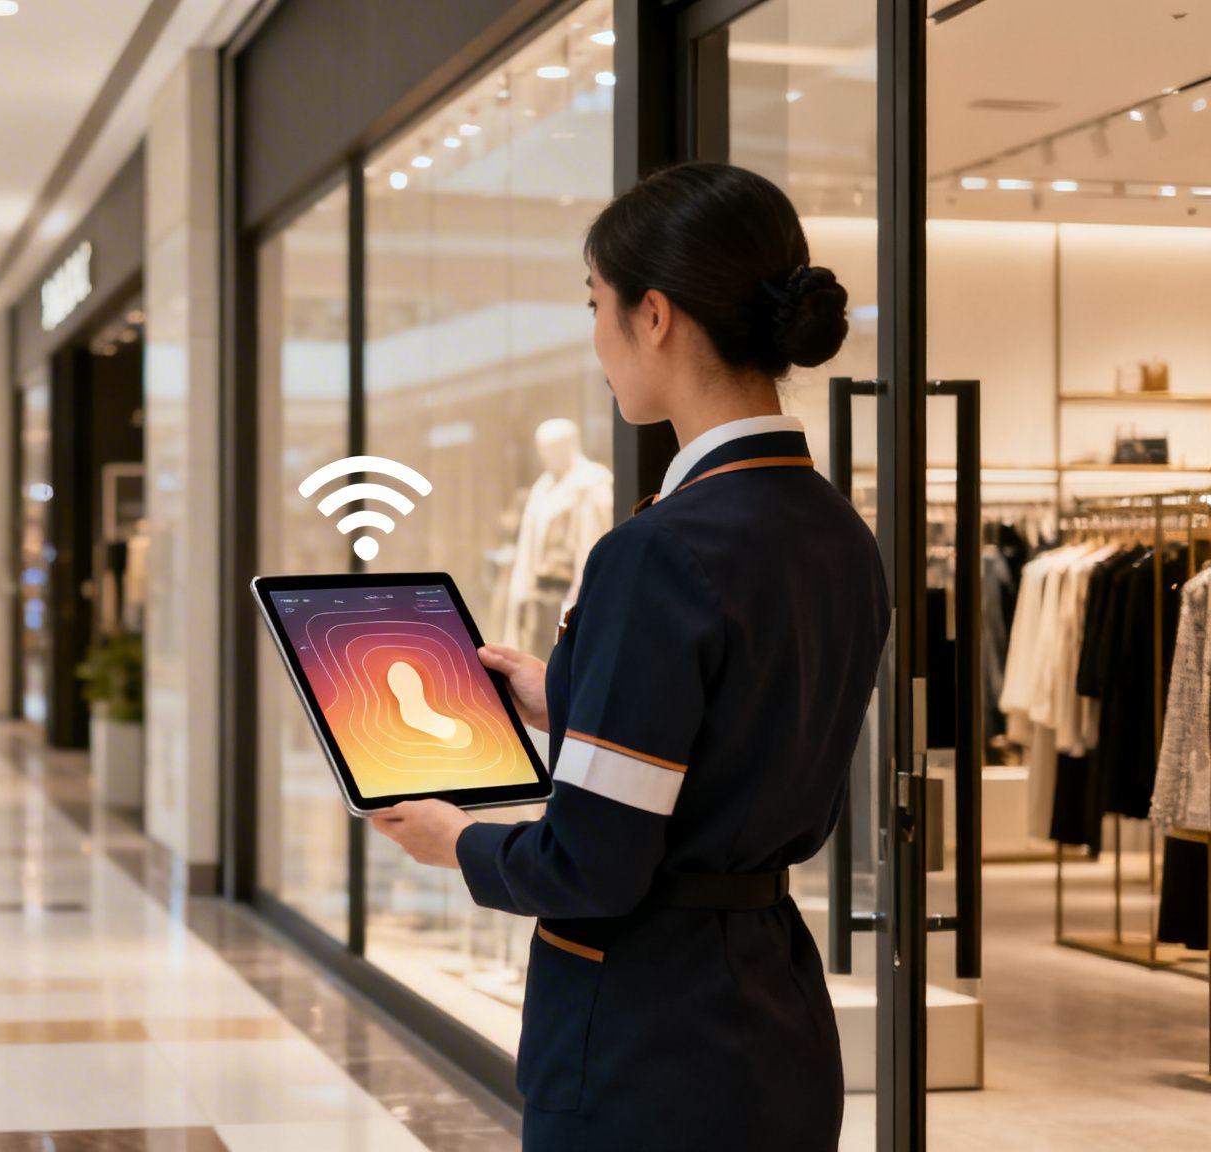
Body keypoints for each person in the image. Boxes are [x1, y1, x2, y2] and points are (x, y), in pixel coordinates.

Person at [370, 163, 889, 1151]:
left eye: (594, 305)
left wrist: (458, 841)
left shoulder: (657, 550)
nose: (596, 340)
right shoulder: (834, 532)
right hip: (772, 1017)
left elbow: (591, 866)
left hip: (646, 1037)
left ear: (652, 316)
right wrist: (565, 695)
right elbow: (743, 744)